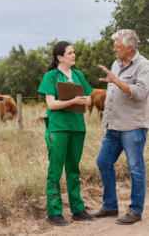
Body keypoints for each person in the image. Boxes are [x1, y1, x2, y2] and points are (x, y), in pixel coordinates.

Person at [92, 29, 149, 225]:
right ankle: (110, 206)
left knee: (135, 168)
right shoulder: (116, 64)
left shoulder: (144, 65)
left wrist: (115, 80)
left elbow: (140, 93)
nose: (115, 50)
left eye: (118, 46)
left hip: (133, 126)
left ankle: (135, 210)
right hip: (113, 126)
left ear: (130, 48)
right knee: (103, 162)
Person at [38, 41, 95, 226]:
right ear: (59, 57)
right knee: (55, 171)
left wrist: (85, 100)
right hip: (58, 129)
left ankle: (78, 209)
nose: (74, 55)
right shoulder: (51, 76)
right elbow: (52, 105)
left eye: (74, 52)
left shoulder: (78, 74)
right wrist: (72, 101)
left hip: (77, 127)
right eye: (70, 53)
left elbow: (89, 99)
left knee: (73, 170)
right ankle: (54, 213)